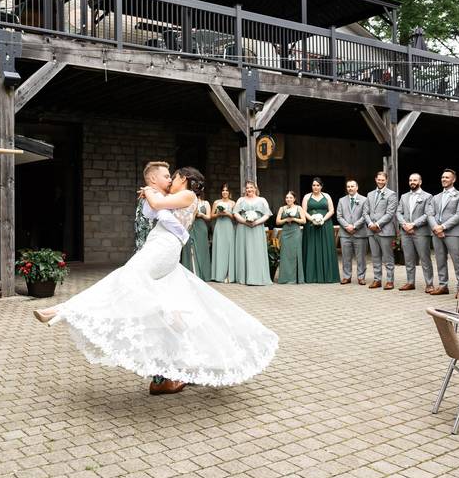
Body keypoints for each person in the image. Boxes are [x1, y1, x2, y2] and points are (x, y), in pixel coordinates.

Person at [32, 167, 278, 396]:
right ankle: (181, 365)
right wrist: (151, 193)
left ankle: (64, 310)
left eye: (175, 176)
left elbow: (157, 203)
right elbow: (153, 210)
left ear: (185, 180)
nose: (171, 179)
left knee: (125, 278)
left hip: (164, 248)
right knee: (175, 309)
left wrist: (150, 191)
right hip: (157, 245)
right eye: (168, 176)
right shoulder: (175, 200)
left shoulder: (189, 196)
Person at [426, 169, 459, 296]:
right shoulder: (435, 197)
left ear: (453, 179)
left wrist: (442, 227)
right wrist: (436, 228)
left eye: (447, 177)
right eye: (443, 177)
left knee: (457, 260)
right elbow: (429, 214)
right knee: (440, 259)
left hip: (453, 233)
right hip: (436, 233)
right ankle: (443, 285)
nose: (444, 179)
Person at [396, 173, 434, 292]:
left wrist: (413, 224)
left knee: (425, 258)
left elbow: (428, 214)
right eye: (410, 180)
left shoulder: (428, 196)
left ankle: (429, 283)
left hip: (421, 232)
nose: (412, 182)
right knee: (408, 258)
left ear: (420, 182)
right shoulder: (404, 196)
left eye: (415, 180)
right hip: (405, 232)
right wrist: (404, 225)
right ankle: (410, 282)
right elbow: (398, 212)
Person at [233, 180, 273, 285]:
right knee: (244, 250)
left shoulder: (262, 200)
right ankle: (244, 277)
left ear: (255, 188)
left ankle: (258, 277)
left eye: (251, 187)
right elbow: (235, 213)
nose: (249, 189)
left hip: (257, 228)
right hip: (243, 228)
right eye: (247, 188)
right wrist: (244, 222)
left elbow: (267, 214)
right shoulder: (241, 200)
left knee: (257, 250)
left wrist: (256, 223)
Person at [301, 178, 339, 284]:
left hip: (325, 225)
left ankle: (327, 275)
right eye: (314, 185)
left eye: (318, 185)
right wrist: (312, 219)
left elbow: (331, 210)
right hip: (311, 225)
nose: (315, 187)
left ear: (321, 186)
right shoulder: (307, 197)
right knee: (311, 248)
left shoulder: (326, 196)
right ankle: (310, 276)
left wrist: (323, 219)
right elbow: (303, 211)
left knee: (326, 248)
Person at [364, 171, 398, 289]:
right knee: (375, 256)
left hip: (385, 230)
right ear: (375, 179)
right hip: (371, 230)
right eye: (379, 179)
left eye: (383, 180)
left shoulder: (391, 194)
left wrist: (377, 224)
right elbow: (365, 212)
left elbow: (390, 213)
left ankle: (389, 281)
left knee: (387, 257)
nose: (380, 181)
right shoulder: (370, 194)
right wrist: (369, 223)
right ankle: (377, 279)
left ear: (386, 180)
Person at [336, 180, 368, 285]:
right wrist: (347, 226)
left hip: (360, 233)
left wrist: (354, 226)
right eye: (348, 186)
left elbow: (365, 215)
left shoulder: (364, 200)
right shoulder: (341, 200)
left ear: (357, 187)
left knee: (361, 257)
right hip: (345, 234)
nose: (350, 188)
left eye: (352, 186)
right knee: (345, 257)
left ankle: (361, 277)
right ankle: (346, 276)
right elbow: (339, 216)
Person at [135, 161, 171, 253]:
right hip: (153, 254)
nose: (170, 180)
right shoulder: (155, 198)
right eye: (166, 177)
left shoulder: (149, 196)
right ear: (153, 179)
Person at [180, 184, 211, 280]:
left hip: (201, 227)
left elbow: (209, 217)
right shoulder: (189, 202)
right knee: (189, 248)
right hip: (191, 226)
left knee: (202, 250)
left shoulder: (205, 203)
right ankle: (191, 272)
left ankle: (203, 274)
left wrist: (201, 214)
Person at [275, 191, 306, 284]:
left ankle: (296, 278)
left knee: (295, 254)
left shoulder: (298, 208)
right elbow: (277, 221)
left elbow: (304, 221)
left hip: (295, 232)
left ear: (294, 199)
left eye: (290, 198)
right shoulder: (282, 208)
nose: (288, 199)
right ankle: (285, 278)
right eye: (287, 198)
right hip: (285, 233)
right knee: (285, 254)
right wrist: (286, 219)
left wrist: (293, 219)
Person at [210, 184, 236, 282]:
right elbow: (212, 215)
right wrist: (218, 214)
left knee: (229, 249)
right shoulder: (217, 202)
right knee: (219, 248)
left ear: (229, 193)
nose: (224, 192)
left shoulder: (233, 203)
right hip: (219, 226)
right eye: (223, 190)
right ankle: (217, 275)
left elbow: (235, 218)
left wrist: (228, 213)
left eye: (226, 190)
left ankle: (228, 275)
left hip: (228, 226)